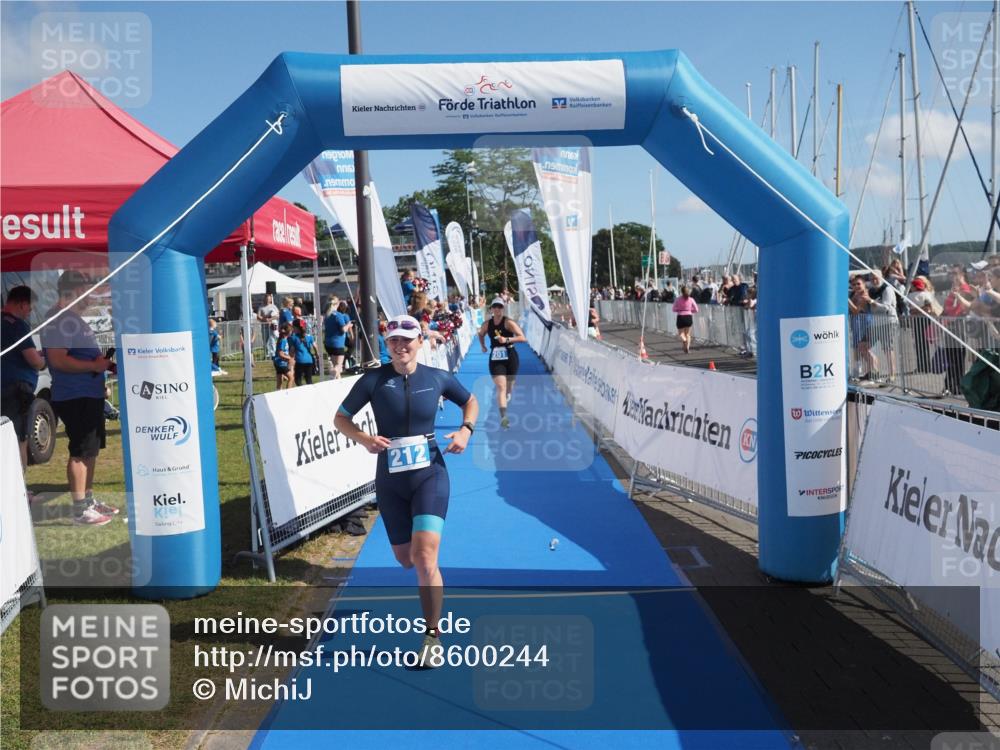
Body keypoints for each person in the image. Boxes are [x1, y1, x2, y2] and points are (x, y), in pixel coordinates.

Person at [333, 314, 478, 668]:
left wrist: (465, 431)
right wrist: (364, 438)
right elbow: (340, 418)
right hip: (390, 479)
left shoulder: (437, 378)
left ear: (419, 341)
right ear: (387, 343)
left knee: (426, 556)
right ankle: (427, 587)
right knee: (406, 559)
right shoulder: (374, 380)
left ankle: (433, 636)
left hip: (430, 475)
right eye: (393, 340)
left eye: (406, 339)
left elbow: (470, 402)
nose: (400, 346)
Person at [41, 271, 118, 525]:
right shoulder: (58, 319)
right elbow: (58, 359)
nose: (89, 300)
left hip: (89, 393)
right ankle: (80, 509)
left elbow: (80, 357)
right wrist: (93, 367)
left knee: (90, 451)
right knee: (80, 451)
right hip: (75, 395)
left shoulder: (71, 319)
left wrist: (101, 365)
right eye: (86, 294)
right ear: (71, 292)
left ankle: (88, 501)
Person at [1, 286, 47, 476]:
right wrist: (44, 361)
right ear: (22, 304)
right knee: (19, 439)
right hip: (15, 391)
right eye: (30, 308)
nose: (30, 312)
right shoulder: (16, 325)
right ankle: (21, 492)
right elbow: (33, 361)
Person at [477, 298, 526, 430]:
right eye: (495, 307)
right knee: (501, 387)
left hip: (510, 356)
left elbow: (522, 337)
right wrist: (483, 346)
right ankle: (504, 417)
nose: (497, 309)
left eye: (500, 307)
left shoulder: (508, 322)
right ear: (491, 309)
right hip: (496, 358)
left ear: (503, 308)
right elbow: (480, 334)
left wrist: (507, 339)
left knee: (509, 386)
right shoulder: (487, 324)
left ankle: (508, 394)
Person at [324, 300, 354, 379]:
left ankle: (337, 381)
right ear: (336, 304)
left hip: (328, 344)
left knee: (335, 365)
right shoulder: (338, 315)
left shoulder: (327, 315)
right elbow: (343, 330)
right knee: (338, 366)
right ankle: (331, 375)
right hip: (337, 343)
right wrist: (348, 325)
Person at [291, 319, 318, 387]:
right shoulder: (309, 336)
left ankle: (302, 391)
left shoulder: (294, 338)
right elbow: (315, 346)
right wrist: (317, 354)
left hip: (300, 361)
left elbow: (292, 350)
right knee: (309, 380)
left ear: (296, 328)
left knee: (297, 380)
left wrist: (291, 358)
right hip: (309, 360)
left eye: (293, 327)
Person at [273, 323, 295, 390]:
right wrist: (289, 358)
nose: (292, 332)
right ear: (288, 331)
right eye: (291, 330)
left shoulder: (283, 339)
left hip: (277, 362)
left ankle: (278, 394)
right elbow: (280, 354)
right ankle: (288, 394)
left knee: (280, 380)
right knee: (291, 378)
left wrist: (288, 356)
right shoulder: (283, 341)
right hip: (281, 363)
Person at [257, 293, 279, 358]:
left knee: (272, 340)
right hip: (264, 327)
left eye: (268, 299)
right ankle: (266, 354)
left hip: (272, 326)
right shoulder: (261, 307)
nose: (267, 300)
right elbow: (258, 316)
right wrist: (265, 319)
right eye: (266, 299)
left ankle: (273, 354)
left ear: (270, 300)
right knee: (265, 341)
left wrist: (270, 319)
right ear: (264, 299)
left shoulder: (273, 306)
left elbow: (277, 315)